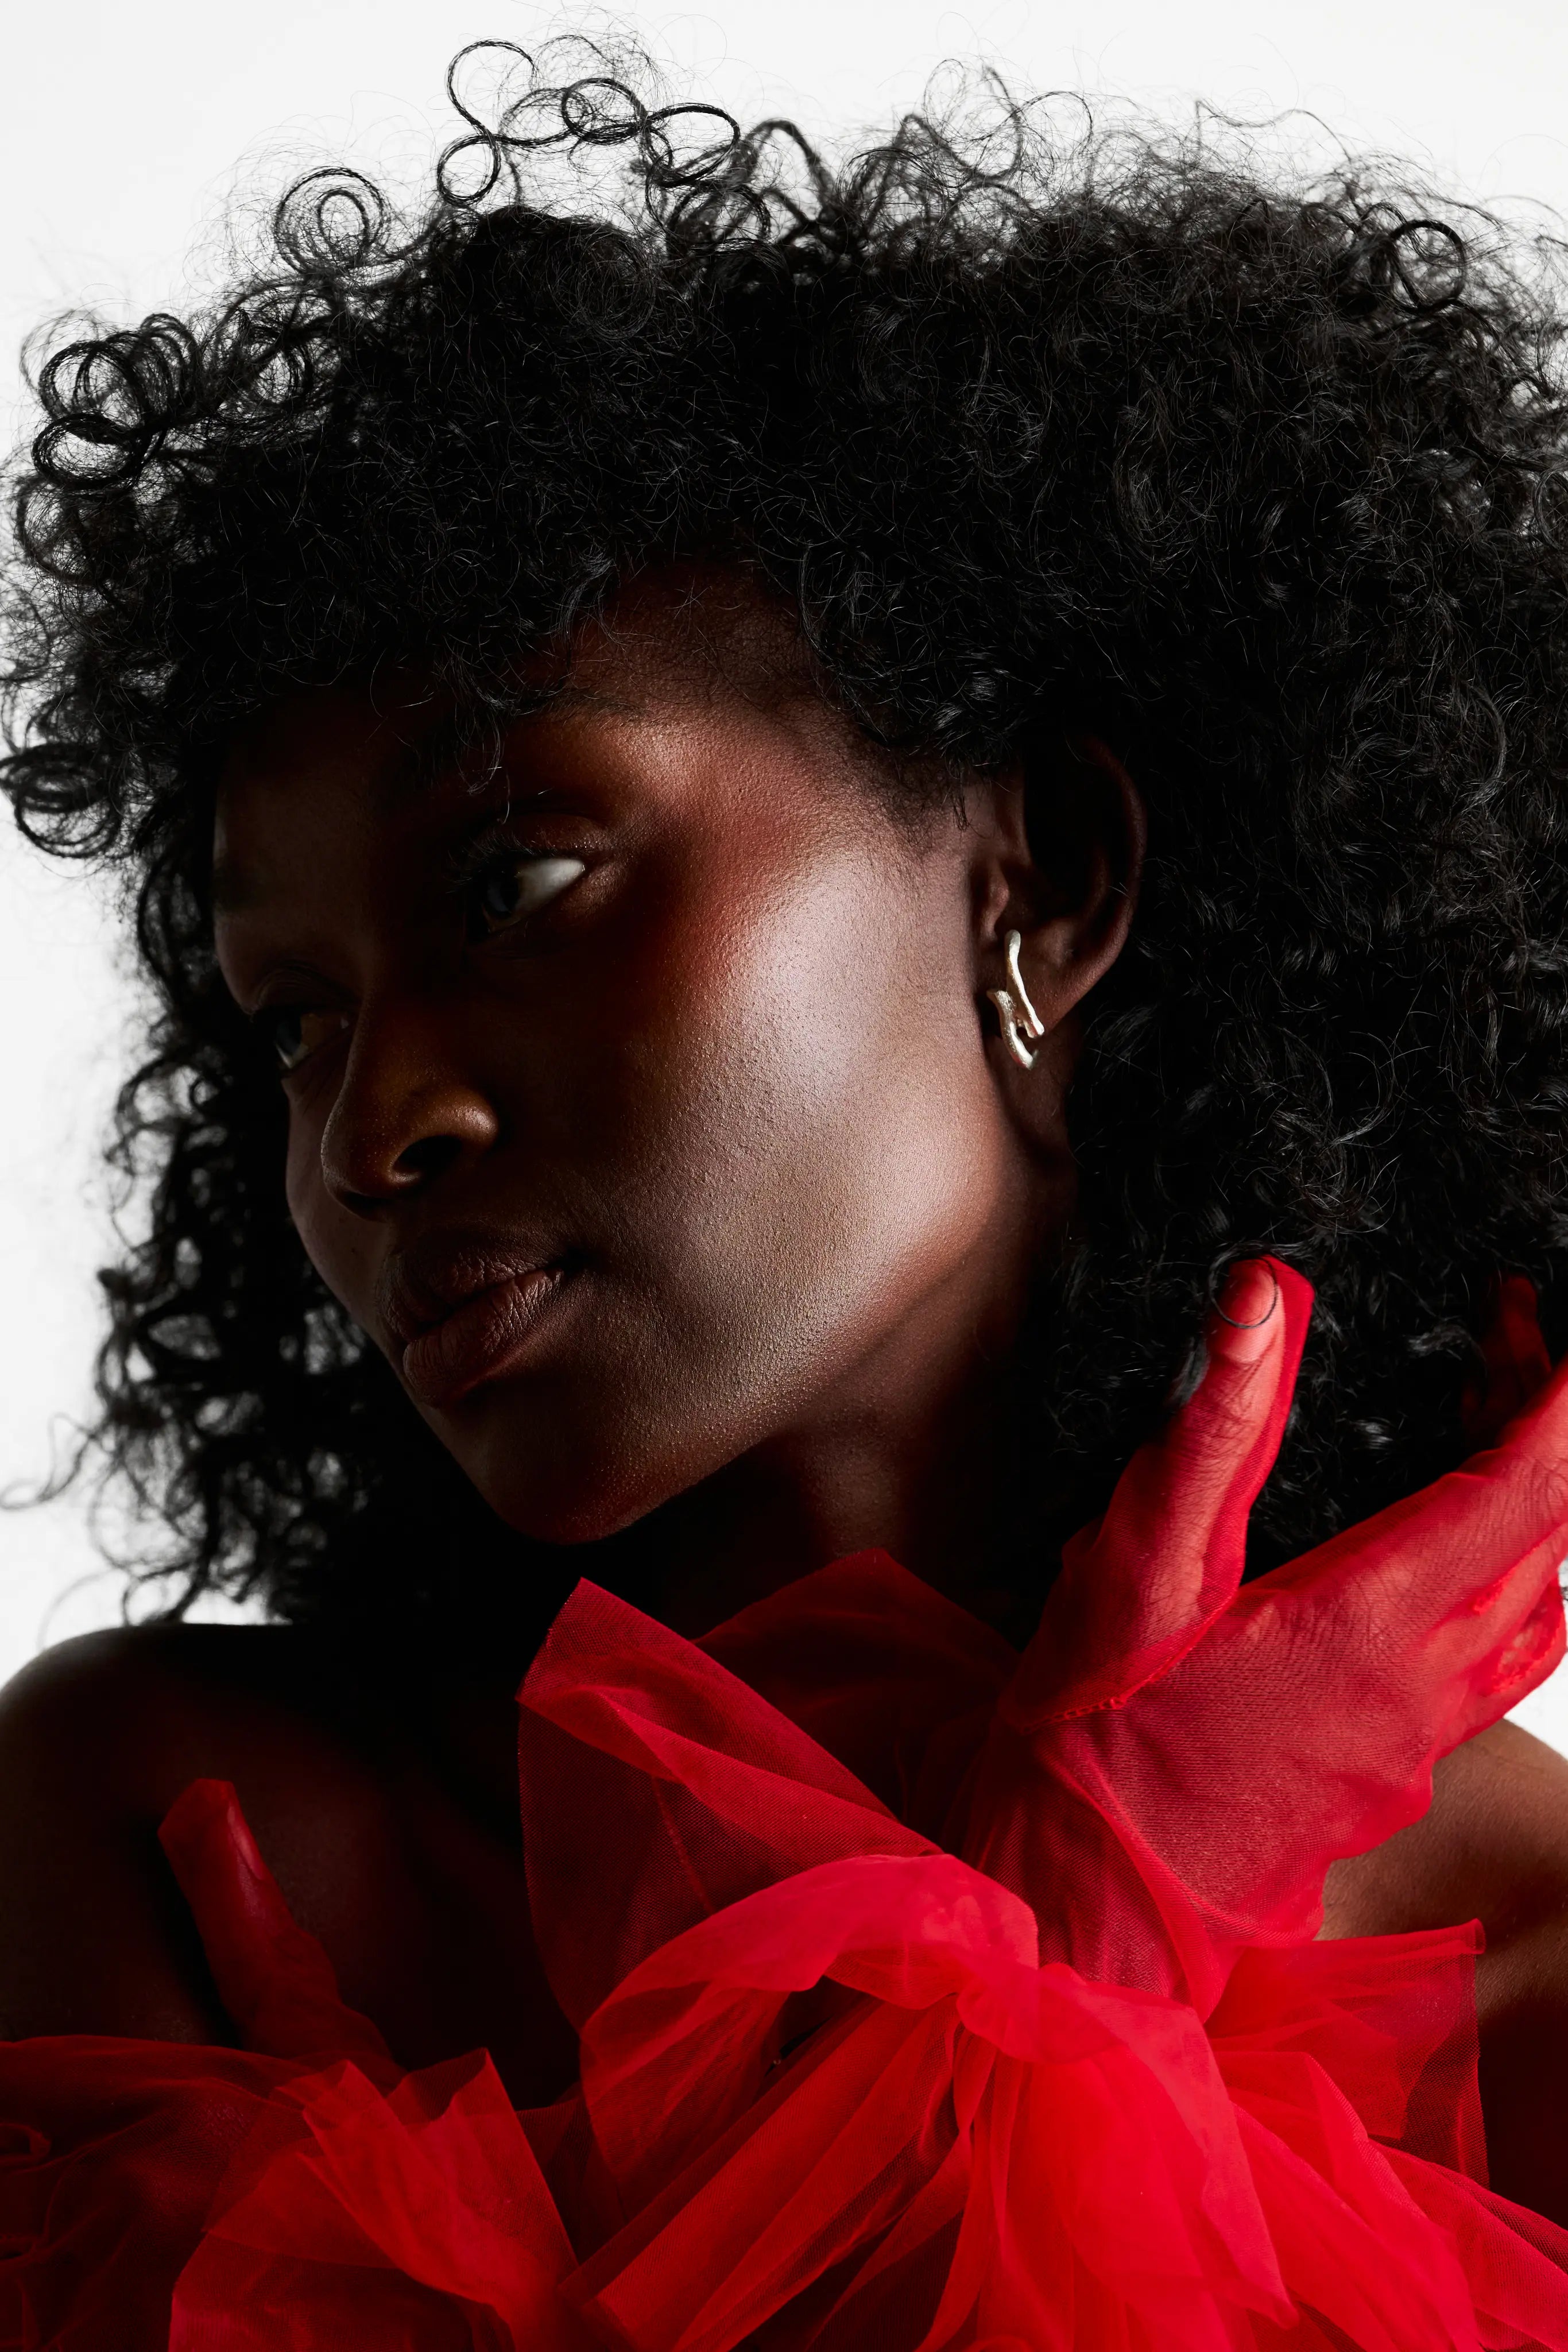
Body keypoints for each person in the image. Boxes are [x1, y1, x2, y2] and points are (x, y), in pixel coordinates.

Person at [5, 37, 1568, 2346]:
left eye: (521, 878)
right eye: (292, 1011)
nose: (372, 1131)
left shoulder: (1530, 1993)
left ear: (1039, 880)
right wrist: (1055, 1958)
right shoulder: (168, 1821)